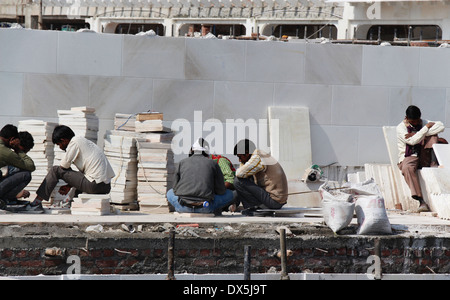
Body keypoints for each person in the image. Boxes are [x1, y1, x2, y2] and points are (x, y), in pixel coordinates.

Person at [26, 125, 115, 212]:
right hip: (105, 187)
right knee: (83, 175)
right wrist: (69, 185)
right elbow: (83, 176)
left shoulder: (74, 142)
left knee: (55, 170)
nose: (60, 148)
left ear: (63, 140)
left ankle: (36, 203)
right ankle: (68, 202)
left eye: (59, 144)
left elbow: (64, 165)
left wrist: (68, 181)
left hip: (94, 185)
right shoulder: (85, 142)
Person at [396, 105, 445, 212]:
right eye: (413, 122)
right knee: (407, 168)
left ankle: (433, 162)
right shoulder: (401, 128)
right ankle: (420, 200)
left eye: (417, 121)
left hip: (424, 154)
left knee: (433, 136)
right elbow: (412, 141)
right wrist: (426, 129)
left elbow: (441, 126)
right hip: (409, 156)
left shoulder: (423, 122)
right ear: (407, 118)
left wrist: (417, 133)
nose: (416, 123)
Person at [166, 138, 234, 215]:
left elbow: (175, 189)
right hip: (205, 207)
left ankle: (182, 209)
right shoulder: (213, 163)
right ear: (206, 152)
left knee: (169, 192)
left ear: (192, 150)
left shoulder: (181, 163)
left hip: (183, 207)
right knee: (230, 194)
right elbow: (221, 191)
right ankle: (215, 209)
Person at [233, 139, 288, 214]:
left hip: (274, 201)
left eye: (240, 157)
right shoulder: (259, 155)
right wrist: (244, 161)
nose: (239, 160)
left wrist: (243, 163)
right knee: (246, 177)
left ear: (247, 153)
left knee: (238, 181)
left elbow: (239, 173)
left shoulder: (258, 157)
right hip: (275, 200)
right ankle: (255, 207)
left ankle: (254, 208)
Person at [0, 125, 36, 209]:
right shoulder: (7, 153)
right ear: (12, 140)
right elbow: (31, 166)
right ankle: (5, 199)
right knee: (26, 174)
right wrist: (17, 149)